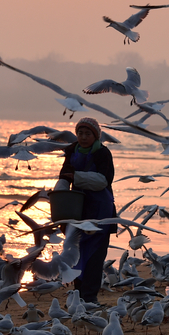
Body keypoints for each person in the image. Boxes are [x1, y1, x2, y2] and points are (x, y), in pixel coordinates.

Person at [54, 116, 116, 304]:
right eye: (80, 133)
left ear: (96, 135)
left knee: (95, 256)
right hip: (77, 209)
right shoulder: (71, 150)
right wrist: (58, 200)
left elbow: (103, 181)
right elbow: (64, 177)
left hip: (100, 210)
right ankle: (78, 297)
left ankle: (89, 297)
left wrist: (76, 177)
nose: (83, 137)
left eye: (87, 133)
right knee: (76, 254)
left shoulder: (103, 153)